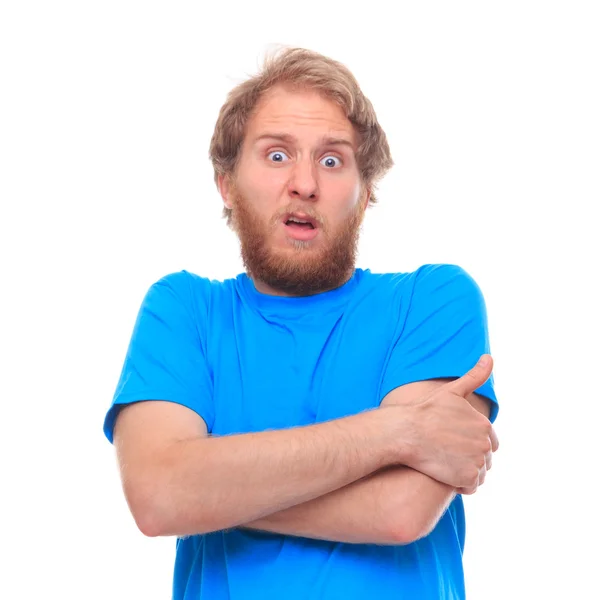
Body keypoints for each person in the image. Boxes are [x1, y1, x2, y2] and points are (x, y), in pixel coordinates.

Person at [103, 46, 499, 600]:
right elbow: (157, 496)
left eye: (332, 160)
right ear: (227, 184)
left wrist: (210, 488)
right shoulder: (183, 311)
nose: (305, 184)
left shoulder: (432, 300)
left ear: (365, 196)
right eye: (276, 155)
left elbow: (398, 512)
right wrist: (398, 432)